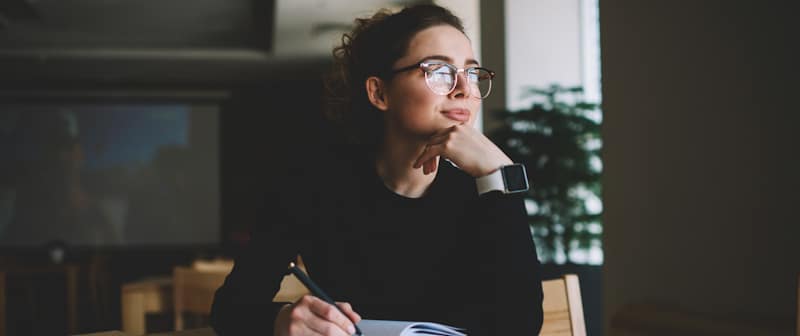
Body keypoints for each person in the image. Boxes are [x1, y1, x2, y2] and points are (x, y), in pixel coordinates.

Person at [210, 4, 543, 335]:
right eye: (439, 71)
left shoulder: (485, 190)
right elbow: (231, 310)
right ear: (379, 92)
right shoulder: (311, 185)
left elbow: (521, 327)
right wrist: (280, 320)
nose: (464, 89)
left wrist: (500, 175)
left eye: (471, 73)